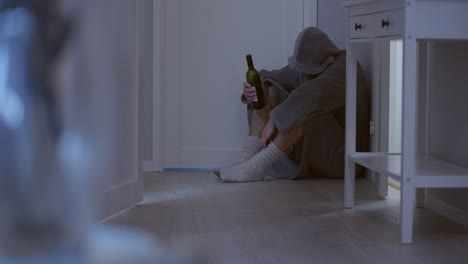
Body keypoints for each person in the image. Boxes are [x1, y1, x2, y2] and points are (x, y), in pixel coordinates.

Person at [213, 27, 369, 183]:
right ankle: (248, 158)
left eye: (309, 71)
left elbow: (310, 94)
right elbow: (268, 76)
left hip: (341, 158)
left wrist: (275, 118)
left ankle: (259, 166)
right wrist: (252, 86)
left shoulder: (346, 67)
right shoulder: (304, 67)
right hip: (316, 151)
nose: (304, 73)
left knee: (303, 107)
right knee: (266, 87)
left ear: (326, 60)